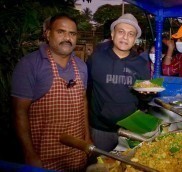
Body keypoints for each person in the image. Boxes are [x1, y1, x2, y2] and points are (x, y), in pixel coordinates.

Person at [11, 13, 90, 171]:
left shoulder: (82, 66)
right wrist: (29, 154)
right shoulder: (29, 65)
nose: (67, 37)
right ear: (48, 34)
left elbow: (83, 103)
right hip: (44, 155)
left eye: (72, 33)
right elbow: (19, 112)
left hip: (76, 152)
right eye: (61, 32)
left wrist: (87, 139)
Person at [87, 13, 151, 152]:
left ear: (135, 40)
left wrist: (146, 95)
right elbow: (86, 90)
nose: (125, 37)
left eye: (131, 34)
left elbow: (146, 96)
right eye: (121, 32)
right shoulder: (96, 59)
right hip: (100, 129)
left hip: (131, 128)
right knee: (100, 165)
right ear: (112, 34)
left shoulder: (141, 64)